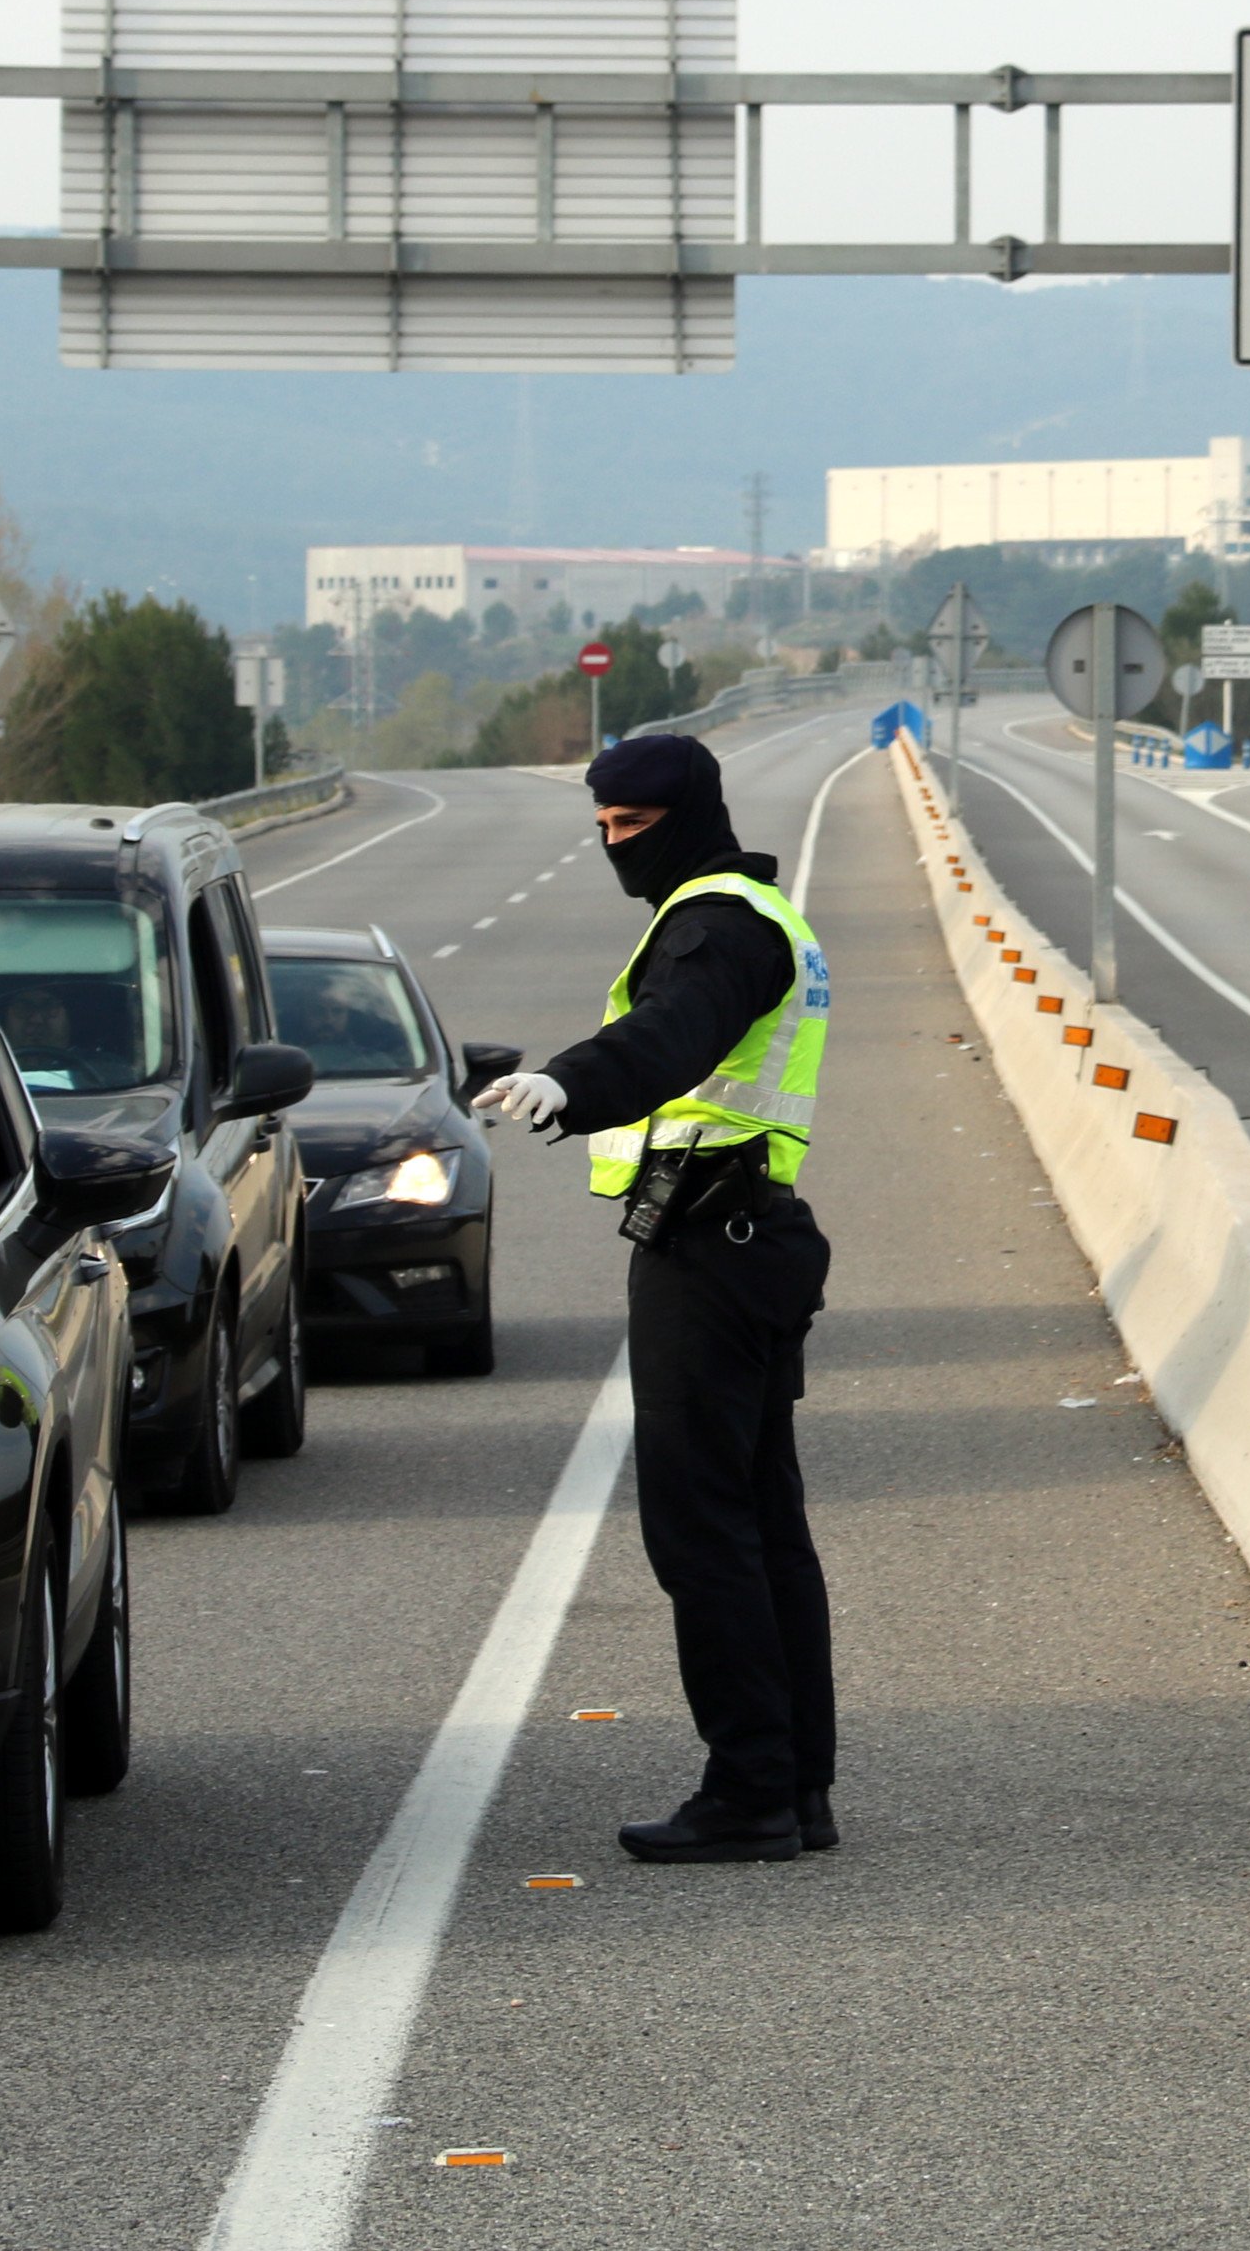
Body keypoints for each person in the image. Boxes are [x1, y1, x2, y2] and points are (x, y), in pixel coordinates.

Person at [472, 732, 836, 1865]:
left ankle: (748, 1793)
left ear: (682, 817)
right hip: (747, 1232)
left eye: (629, 826)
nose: (611, 843)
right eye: (601, 825)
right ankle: (793, 1787)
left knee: (702, 1528)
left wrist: (568, 1081)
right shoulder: (746, 916)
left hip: (715, 1247)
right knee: (763, 1524)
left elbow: (671, 1036)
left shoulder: (720, 925)